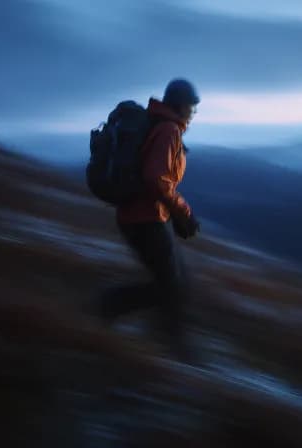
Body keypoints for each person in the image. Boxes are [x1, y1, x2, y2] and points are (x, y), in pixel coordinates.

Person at [99, 78, 201, 359]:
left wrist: (174, 216)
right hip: (145, 220)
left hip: (142, 217)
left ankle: (166, 341)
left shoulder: (161, 125)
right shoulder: (168, 130)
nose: (194, 113)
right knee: (171, 286)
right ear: (180, 106)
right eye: (192, 107)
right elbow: (156, 178)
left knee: (175, 282)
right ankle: (109, 306)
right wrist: (185, 214)